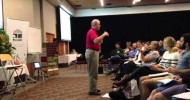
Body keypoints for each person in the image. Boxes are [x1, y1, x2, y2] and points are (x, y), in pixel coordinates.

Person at [147, 33, 190, 100]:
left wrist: (158, 69)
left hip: (177, 77)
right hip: (177, 76)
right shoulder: (182, 52)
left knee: (155, 94)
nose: (162, 44)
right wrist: (156, 66)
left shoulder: (177, 54)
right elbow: (172, 67)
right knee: (154, 91)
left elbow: (175, 69)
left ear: (187, 43)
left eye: (181, 41)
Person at [85, 19, 109, 95]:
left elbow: (97, 41)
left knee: (94, 72)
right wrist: (104, 34)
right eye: (99, 24)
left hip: (93, 53)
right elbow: (95, 41)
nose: (100, 25)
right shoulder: (91, 31)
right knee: (93, 72)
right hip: (92, 53)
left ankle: (93, 88)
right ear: (95, 24)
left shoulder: (93, 32)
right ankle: (92, 90)